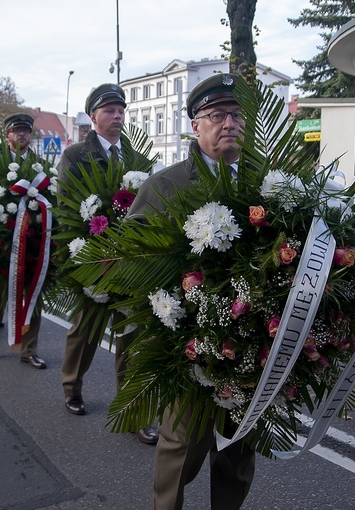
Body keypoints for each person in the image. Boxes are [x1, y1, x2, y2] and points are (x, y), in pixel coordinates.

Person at [127, 73, 256, 509]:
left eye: (236, 115)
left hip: (253, 341)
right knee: (183, 446)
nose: (229, 123)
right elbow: (131, 260)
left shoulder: (267, 184)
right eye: (217, 115)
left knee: (238, 451)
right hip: (189, 345)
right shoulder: (165, 185)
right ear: (195, 126)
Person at [56, 83, 158, 445]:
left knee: (131, 336)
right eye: (110, 110)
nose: (117, 116)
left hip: (130, 261)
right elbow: (68, 209)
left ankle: (133, 413)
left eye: (121, 111)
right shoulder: (75, 156)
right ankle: (72, 386)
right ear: (93, 116)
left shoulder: (134, 157)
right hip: (93, 257)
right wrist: (81, 254)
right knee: (86, 329)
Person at [0, 113, 46, 369]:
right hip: (2, 240)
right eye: (16, 131)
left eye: (26, 131)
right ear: (7, 135)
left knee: (33, 293)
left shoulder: (39, 165)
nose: (22, 135)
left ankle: (28, 350)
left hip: (32, 240)